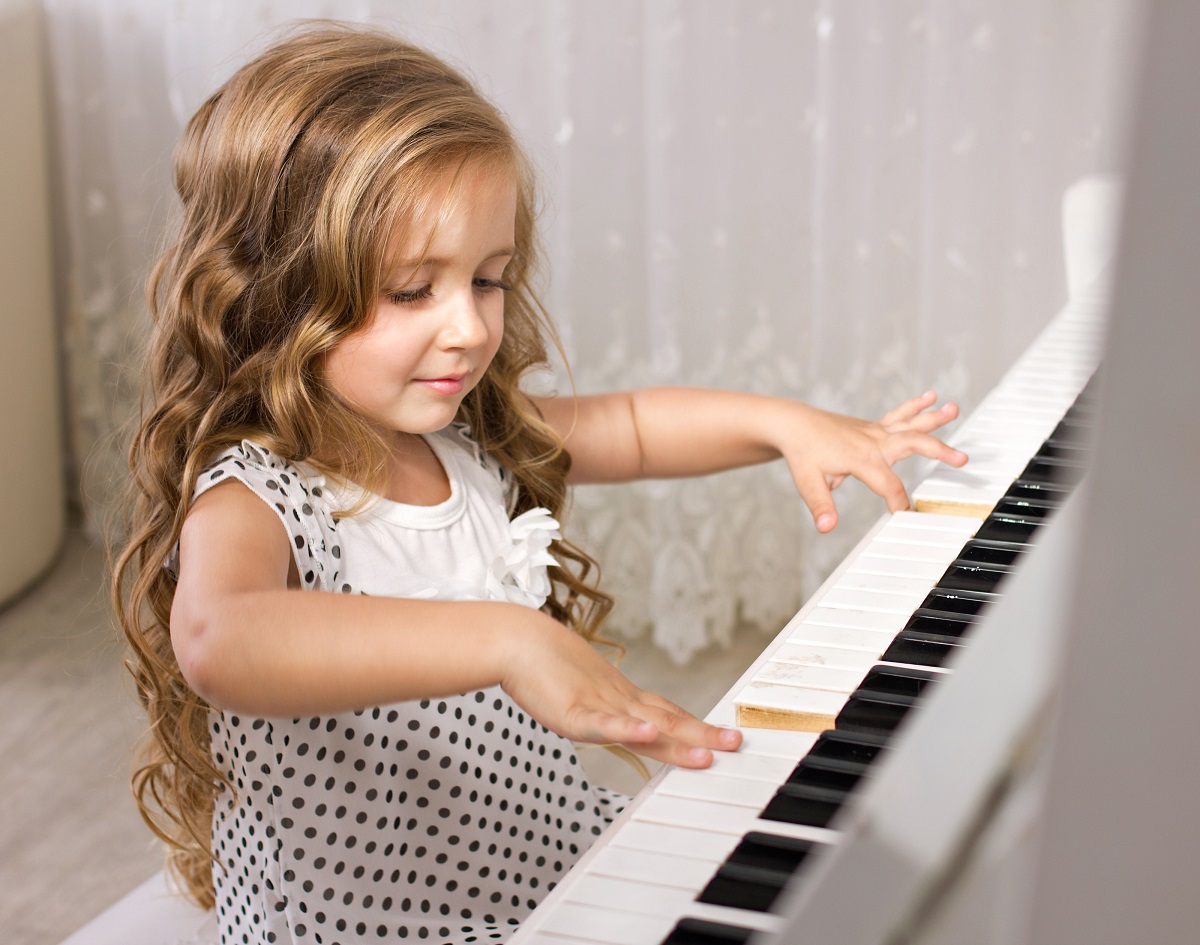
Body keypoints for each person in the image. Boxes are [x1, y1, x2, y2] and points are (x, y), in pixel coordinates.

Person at [112, 24, 968, 945]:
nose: (471, 329)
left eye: (488, 279)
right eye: (412, 291)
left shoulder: (465, 440)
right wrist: (506, 639)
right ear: (279, 292)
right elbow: (220, 636)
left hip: (530, 856)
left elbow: (633, 428)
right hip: (374, 924)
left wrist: (784, 422)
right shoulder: (257, 495)